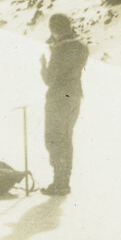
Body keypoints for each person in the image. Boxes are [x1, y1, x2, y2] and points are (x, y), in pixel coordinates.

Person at [39, 14, 88, 196]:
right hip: (74, 95)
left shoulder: (60, 49)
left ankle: (59, 183)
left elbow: (50, 79)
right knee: (66, 138)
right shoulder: (82, 47)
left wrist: (44, 66)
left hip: (58, 98)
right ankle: (63, 181)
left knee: (54, 139)